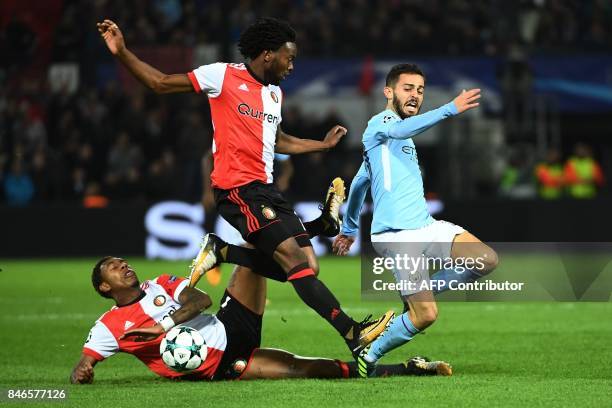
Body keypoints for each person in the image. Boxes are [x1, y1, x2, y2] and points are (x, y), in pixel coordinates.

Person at [96, 17, 393, 358]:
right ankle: (352, 331)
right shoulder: (222, 75)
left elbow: (277, 140)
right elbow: (160, 82)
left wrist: (321, 145)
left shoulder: (274, 94)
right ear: (268, 55)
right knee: (295, 261)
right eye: (289, 57)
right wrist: (121, 52)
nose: (292, 65)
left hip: (267, 190)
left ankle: (225, 252)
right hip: (238, 190)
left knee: (310, 264)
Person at [332, 64, 499, 377]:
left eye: (420, 90)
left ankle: (421, 291)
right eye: (408, 88)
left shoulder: (394, 144)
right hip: (396, 235)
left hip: (425, 227)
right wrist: (450, 108)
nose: (415, 95)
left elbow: (358, 185)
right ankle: (371, 353)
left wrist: (351, 227)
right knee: (425, 316)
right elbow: (400, 130)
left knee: (485, 259)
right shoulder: (381, 123)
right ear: (389, 91)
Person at [69, 256, 452, 384]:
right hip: (222, 366)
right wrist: (82, 373)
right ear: (104, 287)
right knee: (302, 370)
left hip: (228, 322)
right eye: (114, 269)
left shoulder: (162, 284)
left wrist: (164, 325)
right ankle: (408, 368)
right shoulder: (108, 328)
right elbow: (84, 364)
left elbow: (200, 298)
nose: (124, 266)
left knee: (255, 251)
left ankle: (310, 236)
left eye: (123, 262)